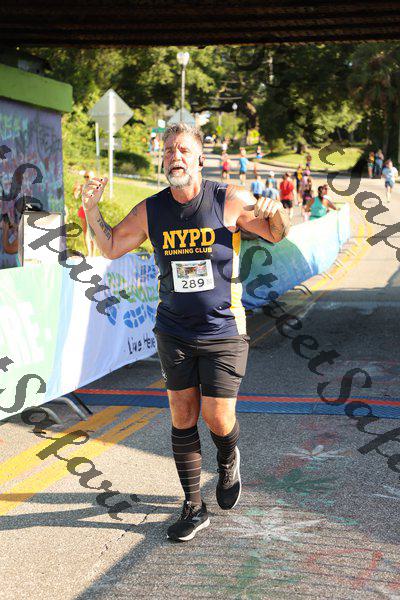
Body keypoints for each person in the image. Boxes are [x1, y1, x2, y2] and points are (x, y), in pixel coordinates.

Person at [82, 123, 290, 543]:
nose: (174, 156)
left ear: (199, 158)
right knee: (182, 415)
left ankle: (228, 457)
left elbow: (275, 232)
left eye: (182, 149)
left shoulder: (228, 199)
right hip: (174, 329)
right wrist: (90, 209)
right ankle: (193, 507)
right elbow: (111, 246)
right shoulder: (151, 209)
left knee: (217, 417)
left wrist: (276, 211)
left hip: (223, 328)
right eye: (168, 150)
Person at [75, 170, 95, 257]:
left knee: (93, 233)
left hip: (92, 210)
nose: (86, 178)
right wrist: (76, 189)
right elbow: (76, 196)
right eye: (85, 177)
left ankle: (93, 254)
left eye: (88, 177)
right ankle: (89, 253)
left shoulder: (96, 187)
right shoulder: (82, 186)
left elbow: (101, 199)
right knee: (85, 232)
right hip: (83, 209)